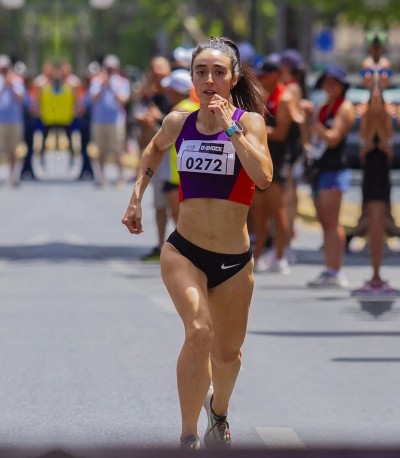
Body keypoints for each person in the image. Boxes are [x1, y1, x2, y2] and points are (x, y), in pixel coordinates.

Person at [122, 36, 272, 449]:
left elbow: (263, 177)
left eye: (218, 72)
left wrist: (232, 127)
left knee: (228, 355)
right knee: (199, 332)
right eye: (201, 72)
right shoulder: (178, 121)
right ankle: (188, 437)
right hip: (184, 250)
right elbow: (153, 151)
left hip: (234, 261)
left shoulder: (251, 122)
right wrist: (136, 196)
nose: (209, 80)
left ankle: (218, 411)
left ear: (233, 77)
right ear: (191, 77)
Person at [303, 65, 355, 288]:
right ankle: (329, 269)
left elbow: (333, 138)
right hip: (320, 168)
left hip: (335, 169)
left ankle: (336, 271)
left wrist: (313, 124)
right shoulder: (323, 106)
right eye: (326, 81)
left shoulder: (345, 107)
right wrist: (306, 121)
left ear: (342, 85)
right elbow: (311, 136)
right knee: (324, 222)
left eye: (334, 82)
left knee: (333, 223)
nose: (329, 86)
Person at [351, 71, 400, 297]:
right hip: (373, 167)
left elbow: (383, 142)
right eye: (369, 73)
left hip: (378, 166)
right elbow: (365, 141)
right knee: (375, 218)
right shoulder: (370, 106)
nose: (375, 76)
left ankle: (377, 277)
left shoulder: (384, 106)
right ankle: (376, 277)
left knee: (378, 218)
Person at [250, 54, 292, 274]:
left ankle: (280, 255)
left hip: (277, 159)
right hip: (261, 158)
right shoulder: (262, 97)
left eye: (263, 75)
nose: (260, 78)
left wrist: (256, 130)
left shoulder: (283, 97)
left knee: (278, 210)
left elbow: (282, 133)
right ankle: (257, 254)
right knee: (258, 211)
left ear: (275, 75)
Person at [135, 56, 172, 261]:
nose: (157, 72)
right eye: (153, 68)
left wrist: (157, 119)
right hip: (158, 154)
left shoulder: (174, 94)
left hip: (174, 157)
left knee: (177, 204)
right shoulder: (150, 96)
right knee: (159, 204)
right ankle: (160, 245)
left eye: (160, 68)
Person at [89, 54, 131, 186]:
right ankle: (101, 177)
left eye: (111, 68)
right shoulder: (97, 81)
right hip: (99, 120)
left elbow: (124, 100)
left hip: (116, 121)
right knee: (101, 149)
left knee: (118, 150)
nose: (109, 70)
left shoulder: (122, 82)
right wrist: (102, 85)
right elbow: (93, 98)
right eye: (107, 68)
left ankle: (120, 177)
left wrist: (112, 87)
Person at [0, 54, 26, 187]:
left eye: (5, 67)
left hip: (14, 121)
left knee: (13, 150)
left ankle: (13, 176)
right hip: (1, 121)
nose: (3, 70)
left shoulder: (16, 80)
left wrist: (11, 84)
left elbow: (21, 98)